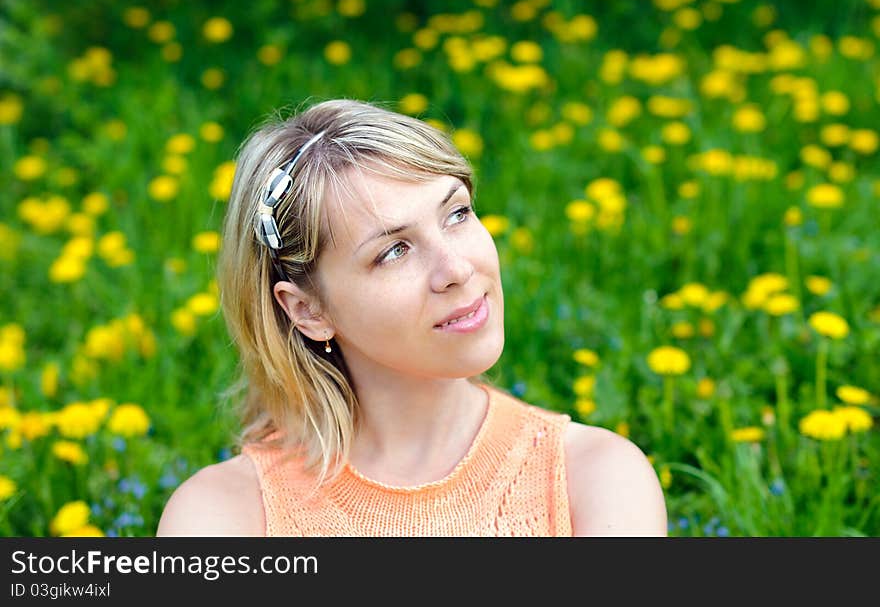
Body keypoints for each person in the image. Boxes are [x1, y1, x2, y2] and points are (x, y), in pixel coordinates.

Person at [156, 98, 667, 536]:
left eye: (457, 214)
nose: (457, 268)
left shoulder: (595, 480)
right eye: (394, 251)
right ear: (307, 311)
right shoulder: (222, 518)